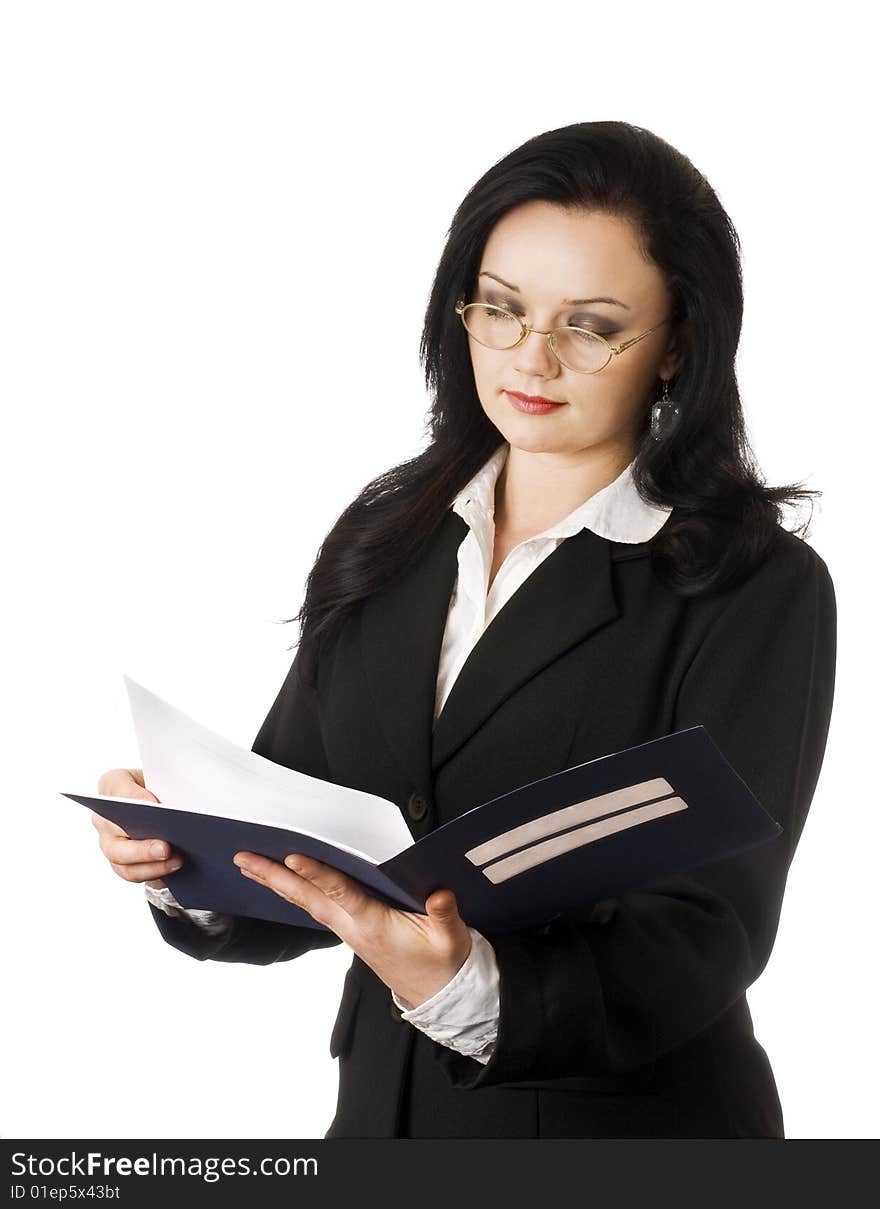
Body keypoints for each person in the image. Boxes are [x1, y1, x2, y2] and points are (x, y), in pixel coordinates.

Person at [92, 120, 837, 1138]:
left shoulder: (752, 587)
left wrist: (468, 983)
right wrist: (185, 863)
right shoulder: (391, 535)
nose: (531, 357)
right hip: (382, 1122)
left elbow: (708, 930)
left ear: (677, 346)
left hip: (619, 1137)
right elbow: (304, 837)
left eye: (591, 326)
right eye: (501, 308)